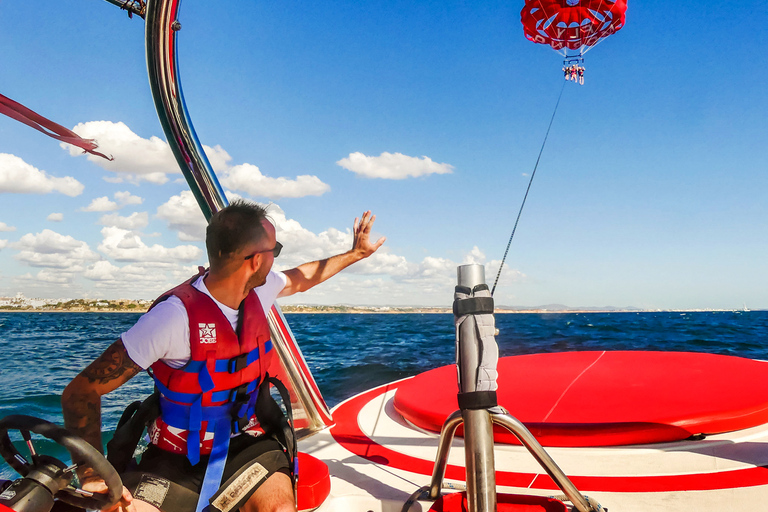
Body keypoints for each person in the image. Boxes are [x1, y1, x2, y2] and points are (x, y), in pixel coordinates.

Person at [61, 200, 386, 512]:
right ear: (256, 260)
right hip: (174, 455)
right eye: (275, 251)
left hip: (248, 444)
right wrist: (90, 476)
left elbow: (303, 278)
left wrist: (355, 253)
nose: (277, 259)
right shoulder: (173, 317)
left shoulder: (263, 286)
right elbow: (82, 391)